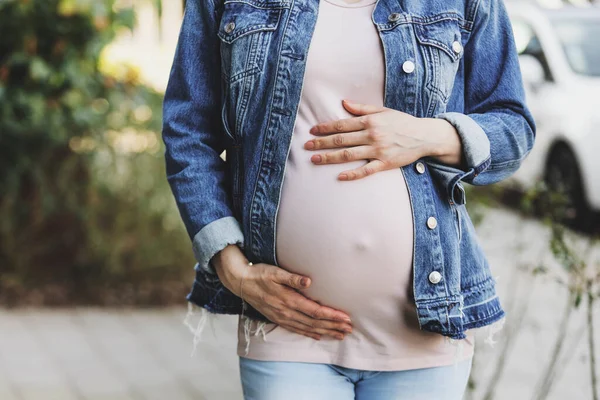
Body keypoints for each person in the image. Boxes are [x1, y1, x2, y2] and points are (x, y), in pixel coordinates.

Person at [162, 0, 536, 398]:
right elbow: (188, 130)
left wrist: (425, 135)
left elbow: (513, 127)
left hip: (424, 329)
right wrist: (231, 269)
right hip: (285, 327)